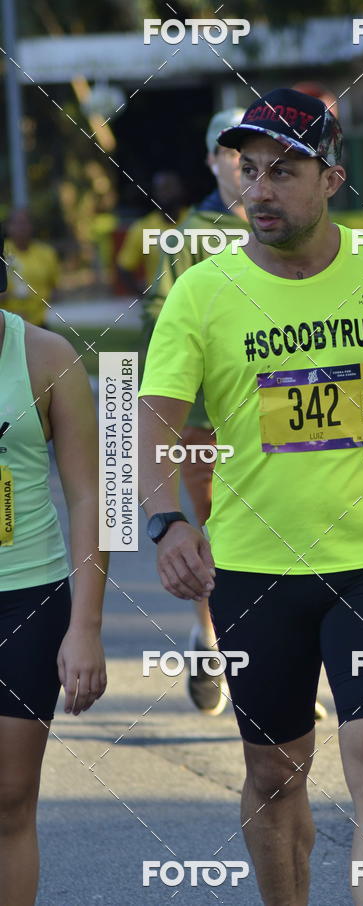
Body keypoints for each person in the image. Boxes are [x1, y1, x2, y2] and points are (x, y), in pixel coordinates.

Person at [138, 87, 363, 906]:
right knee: (275, 775)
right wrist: (165, 523)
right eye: (248, 170)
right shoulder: (203, 293)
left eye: (283, 172)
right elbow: (149, 425)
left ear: (332, 177)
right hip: (255, 571)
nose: (258, 190)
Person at [144, 108, 328, 719]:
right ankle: (213, 638)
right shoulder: (189, 237)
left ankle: (291, 670)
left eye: (272, 165)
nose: (247, 174)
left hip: (283, 409)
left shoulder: (296, 227)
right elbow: (162, 325)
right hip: (206, 422)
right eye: (237, 160)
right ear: (214, 162)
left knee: (295, 536)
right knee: (223, 537)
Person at [0, 307, 107, 906]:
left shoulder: (46, 356)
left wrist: (85, 626)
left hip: (26, 603)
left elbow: (93, 495)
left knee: (10, 799)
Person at [116, 171, 186, 296]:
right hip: (160, 308)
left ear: (180, 190)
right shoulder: (143, 227)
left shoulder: (196, 221)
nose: (167, 194)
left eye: (170, 188)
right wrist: (143, 296)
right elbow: (124, 267)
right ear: (156, 193)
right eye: (162, 189)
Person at [2, 210, 59, 328]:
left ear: (31, 226)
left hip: (38, 323)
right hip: (6, 324)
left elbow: (55, 287)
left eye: (24, 223)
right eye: (16, 223)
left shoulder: (46, 253)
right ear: (8, 227)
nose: (21, 228)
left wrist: (40, 299)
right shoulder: (2, 252)